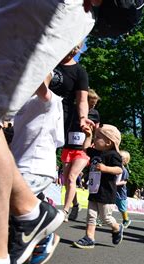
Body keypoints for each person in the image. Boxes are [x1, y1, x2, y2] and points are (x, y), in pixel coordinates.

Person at [0, 1, 96, 264]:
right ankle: (31, 213)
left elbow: (78, 98)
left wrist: (83, 122)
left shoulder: (73, 76)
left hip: (45, 149)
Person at [10, 74, 65, 264]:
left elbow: (39, 82)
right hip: (18, 167)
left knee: (5, 210)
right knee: (12, 214)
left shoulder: (51, 100)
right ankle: (43, 238)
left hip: (36, 167)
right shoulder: (19, 101)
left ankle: (42, 235)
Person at [50, 45, 92, 222]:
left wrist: (84, 119)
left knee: (71, 177)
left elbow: (82, 100)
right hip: (38, 111)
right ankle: (72, 205)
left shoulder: (79, 72)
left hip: (75, 142)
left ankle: (66, 210)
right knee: (67, 178)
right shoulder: (50, 60)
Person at [73, 124, 125, 249]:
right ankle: (89, 238)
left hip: (106, 191)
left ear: (108, 142)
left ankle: (117, 228)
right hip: (94, 188)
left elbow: (119, 170)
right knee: (91, 215)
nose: (94, 140)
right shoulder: (97, 152)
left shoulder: (114, 155)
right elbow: (85, 148)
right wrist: (88, 136)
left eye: (97, 137)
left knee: (105, 217)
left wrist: (105, 168)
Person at [116, 150, 132, 228]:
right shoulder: (114, 168)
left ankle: (126, 219)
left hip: (120, 193)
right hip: (113, 191)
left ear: (125, 160)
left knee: (122, 208)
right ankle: (101, 218)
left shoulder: (124, 171)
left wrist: (116, 184)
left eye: (120, 157)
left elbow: (124, 182)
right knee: (106, 205)